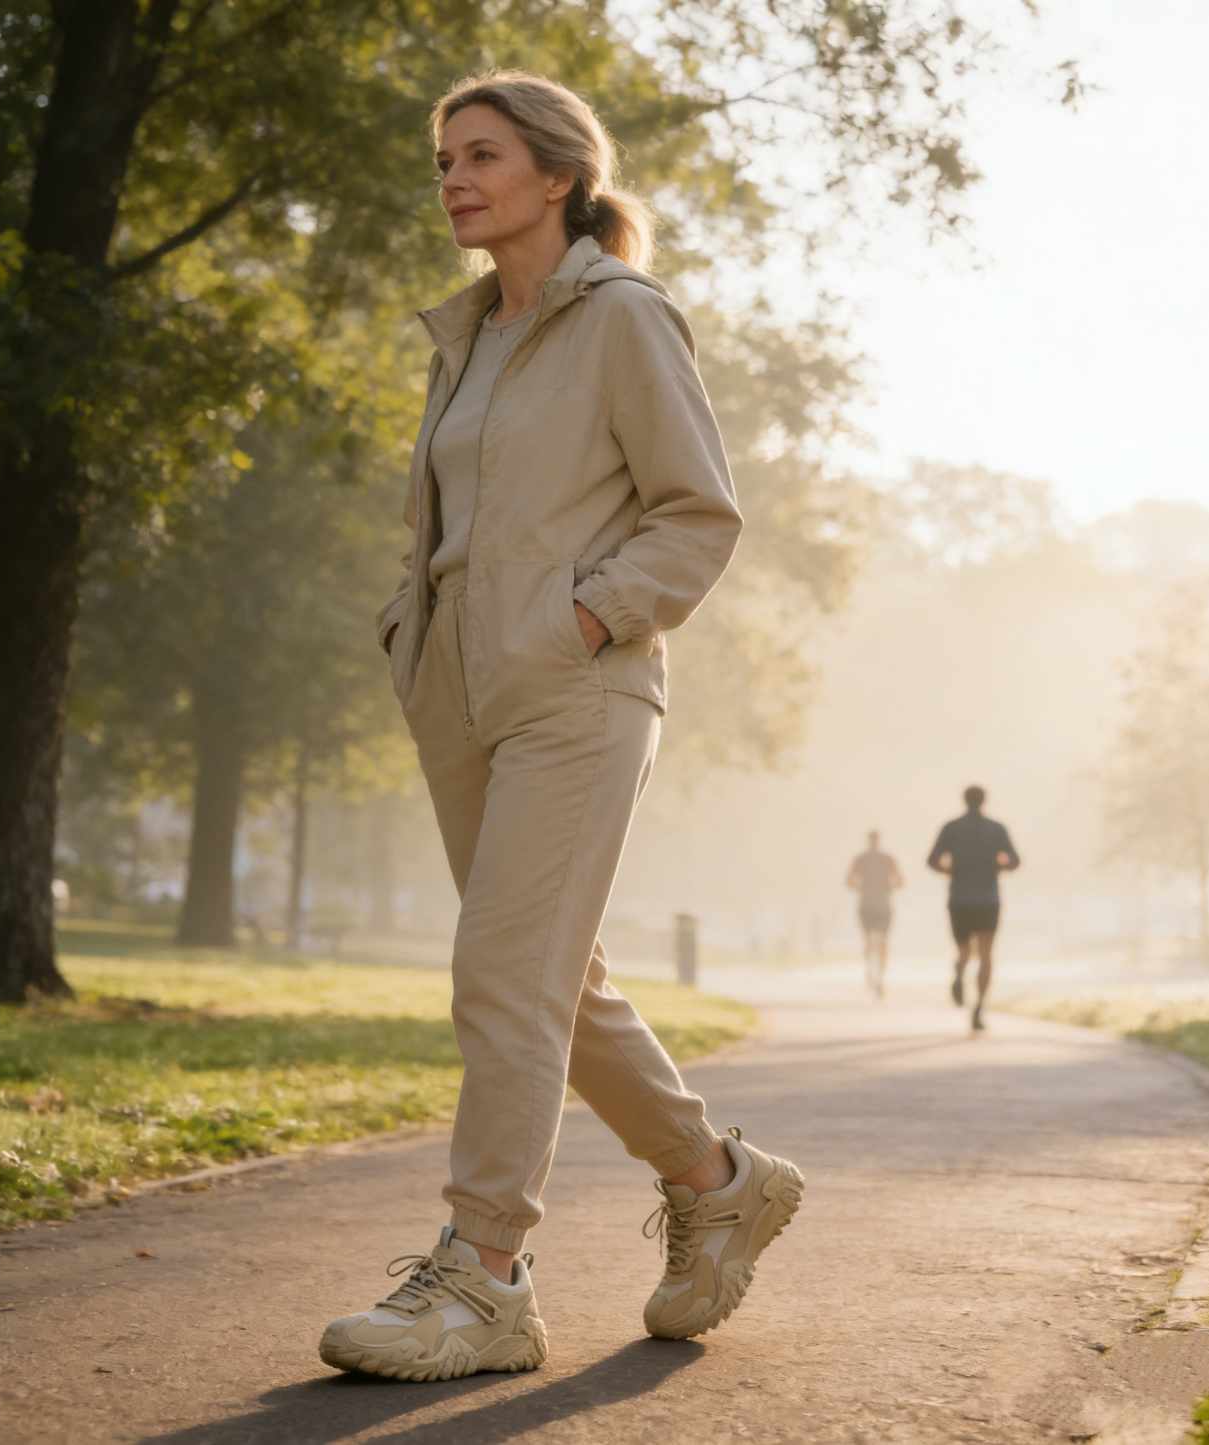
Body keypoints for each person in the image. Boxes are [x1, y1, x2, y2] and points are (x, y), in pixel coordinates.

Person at [317, 71, 804, 1382]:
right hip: (458, 691)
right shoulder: (469, 332)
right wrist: (410, 630)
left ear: (553, 174)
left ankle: (483, 1279)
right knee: (553, 981)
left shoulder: (622, 318)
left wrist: (585, 621)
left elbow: (696, 511)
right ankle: (717, 1179)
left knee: (502, 972)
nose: (453, 179)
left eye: (480, 154)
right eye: (442, 161)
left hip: (578, 690)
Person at [927, 786, 1020, 1032]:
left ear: (964, 800)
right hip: (988, 899)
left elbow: (932, 860)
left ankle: (959, 970)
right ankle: (979, 1006)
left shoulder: (951, 828)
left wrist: (949, 870)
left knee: (965, 950)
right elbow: (1014, 861)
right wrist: (1001, 865)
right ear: (985, 800)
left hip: (959, 898)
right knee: (986, 954)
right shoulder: (997, 829)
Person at [845, 831, 903, 997]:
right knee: (883, 941)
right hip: (883, 903)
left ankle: (870, 970)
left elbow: (848, 881)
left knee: (869, 939)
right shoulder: (888, 859)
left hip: (867, 902)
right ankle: (880, 978)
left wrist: (863, 889)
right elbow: (900, 881)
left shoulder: (860, 859)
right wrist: (887, 888)